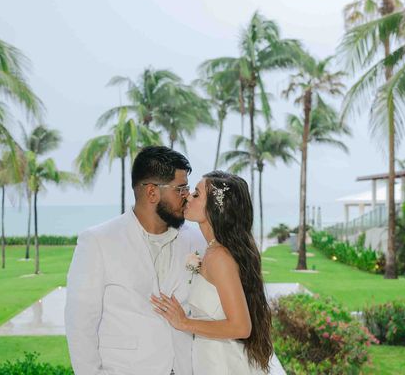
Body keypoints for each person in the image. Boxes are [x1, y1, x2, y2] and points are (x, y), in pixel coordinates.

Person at [65, 146, 206, 375]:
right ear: (152, 192)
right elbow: (80, 323)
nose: (187, 196)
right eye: (181, 189)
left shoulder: (196, 240)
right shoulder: (98, 241)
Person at [151, 170, 286, 374]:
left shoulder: (219, 257)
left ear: (215, 208)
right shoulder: (215, 251)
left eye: (196, 194)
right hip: (211, 358)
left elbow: (241, 327)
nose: (187, 196)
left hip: (223, 363)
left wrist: (184, 322)